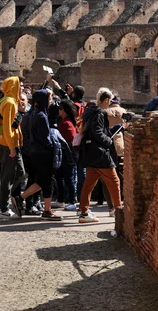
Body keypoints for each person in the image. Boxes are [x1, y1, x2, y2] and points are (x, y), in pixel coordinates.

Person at [12, 90, 62, 221]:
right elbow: (44, 138)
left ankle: (21, 199)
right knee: (48, 182)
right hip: (43, 153)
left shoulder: (34, 113)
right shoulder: (41, 116)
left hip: (36, 152)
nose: (51, 100)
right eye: (49, 98)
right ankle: (47, 210)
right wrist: (52, 147)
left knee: (41, 182)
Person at [78, 89, 122, 224]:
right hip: (100, 153)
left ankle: (84, 212)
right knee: (114, 181)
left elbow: (98, 130)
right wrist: (108, 141)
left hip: (90, 153)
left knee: (89, 184)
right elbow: (98, 132)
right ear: (106, 100)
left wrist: (117, 128)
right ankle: (118, 209)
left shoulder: (90, 112)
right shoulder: (100, 113)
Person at [0, 76, 25, 219]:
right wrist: (12, 147)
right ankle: (4, 209)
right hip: (7, 145)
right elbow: (7, 128)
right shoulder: (9, 103)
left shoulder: (11, 102)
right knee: (8, 176)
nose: (21, 89)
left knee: (21, 172)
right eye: (19, 86)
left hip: (12, 144)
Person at [52, 100, 77, 211]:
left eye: (61, 109)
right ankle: (60, 200)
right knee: (60, 177)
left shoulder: (66, 123)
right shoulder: (65, 121)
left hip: (67, 154)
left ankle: (71, 200)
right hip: (64, 154)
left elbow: (69, 140)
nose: (59, 111)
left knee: (68, 178)